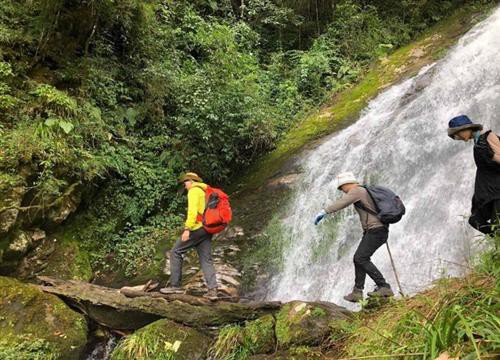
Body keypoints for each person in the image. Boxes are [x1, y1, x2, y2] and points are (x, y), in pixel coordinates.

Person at [314, 172, 394, 302]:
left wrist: (325, 211)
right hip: (375, 230)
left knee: (360, 258)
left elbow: (342, 203)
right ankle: (357, 291)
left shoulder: (357, 190)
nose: (342, 191)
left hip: (376, 230)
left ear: (346, 183)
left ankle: (383, 286)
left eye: (341, 188)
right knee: (359, 258)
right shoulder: (363, 191)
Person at [160, 172, 218, 299]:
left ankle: (175, 287)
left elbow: (192, 212)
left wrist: (187, 229)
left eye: (185, 182)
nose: (184, 185)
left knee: (175, 251)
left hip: (196, 228)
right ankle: (212, 290)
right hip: (207, 229)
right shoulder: (204, 191)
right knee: (206, 259)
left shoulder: (193, 191)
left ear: (191, 181)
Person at [447, 115, 500, 235]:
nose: (458, 137)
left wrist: (490, 155)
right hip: (488, 192)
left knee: (497, 226)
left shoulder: (488, 136)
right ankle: (496, 239)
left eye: (458, 133)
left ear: (466, 128)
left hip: (497, 192)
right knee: (475, 220)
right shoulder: (478, 142)